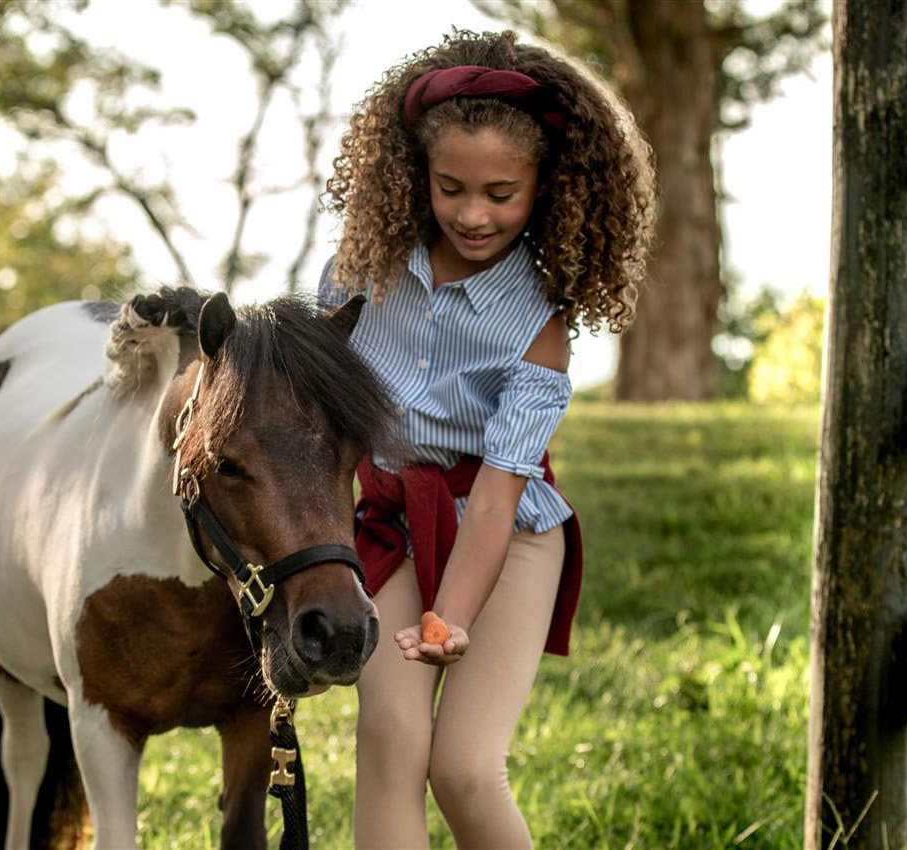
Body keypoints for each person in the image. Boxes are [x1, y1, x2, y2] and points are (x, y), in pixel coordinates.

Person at [314, 30, 655, 848]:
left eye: (502, 193)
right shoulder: (358, 273)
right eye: (451, 188)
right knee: (390, 736)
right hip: (392, 520)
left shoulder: (540, 325)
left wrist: (448, 620)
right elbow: (312, 415)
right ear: (416, 177)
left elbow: (499, 496)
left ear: (547, 189)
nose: (473, 214)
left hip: (507, 538)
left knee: (463, 767)